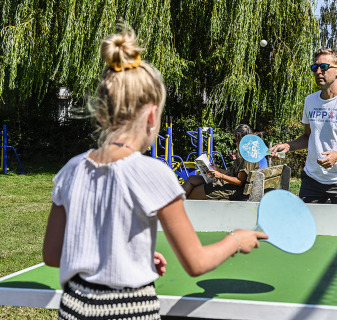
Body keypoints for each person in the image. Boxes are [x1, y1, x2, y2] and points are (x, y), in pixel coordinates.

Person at [42, 28, 267, 320]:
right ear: (151, 116)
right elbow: (196, 263)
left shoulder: (70, 170)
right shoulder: (154, 173)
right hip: (130, 311)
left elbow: (52, 255)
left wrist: (130, 256)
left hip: (74, 309)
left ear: (100, 114)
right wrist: (236, 240)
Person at [270, 48, 337, 205]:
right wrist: (288, 146)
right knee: (306, 229)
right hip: (312, 179)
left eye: (324, 67)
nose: (318, 72)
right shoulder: (310, 101)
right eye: (315, 67)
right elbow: (308, 136)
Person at [182, 124, 259, 200]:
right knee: (192, 179)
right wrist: (218, 170)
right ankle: (173, 205)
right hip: (226, 184)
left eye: (235, 140)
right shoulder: (246, 152)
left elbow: (239, 181)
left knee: (192, 194)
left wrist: (220, 175)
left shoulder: (248, 157)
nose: (235, 143)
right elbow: (233, 174)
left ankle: (175, 207)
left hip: (231, 190)